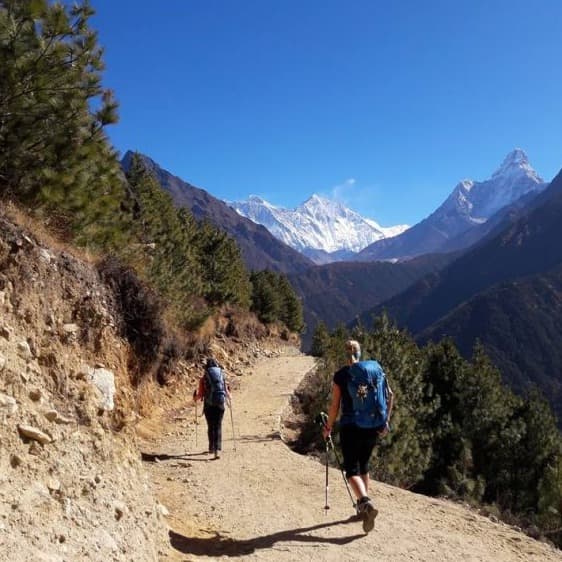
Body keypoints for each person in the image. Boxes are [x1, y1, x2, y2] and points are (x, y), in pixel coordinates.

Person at [322, 339, 394, 533]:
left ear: (344, 354)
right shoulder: (374, 371)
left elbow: (335, 406)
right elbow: (390, 395)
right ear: (360, 353)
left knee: (351, 470)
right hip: (372, 426)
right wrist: (385, 421)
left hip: (350, 427)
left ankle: (364, 502)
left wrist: (328, 427)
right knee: (364, 465)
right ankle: (363, 508)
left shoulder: (341, 375)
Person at [194, 357, 230, 459]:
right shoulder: (221, 376)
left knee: (211, 426)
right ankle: (217, 449)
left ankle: (211, 448)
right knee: (218, 425)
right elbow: (226, 392)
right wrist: (229, 398)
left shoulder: (204, 378)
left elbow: (200, 395)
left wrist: (194, 398)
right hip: (220, 403)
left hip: (209, 405)